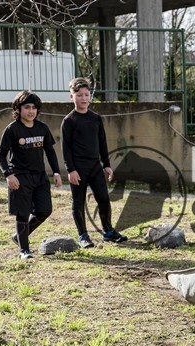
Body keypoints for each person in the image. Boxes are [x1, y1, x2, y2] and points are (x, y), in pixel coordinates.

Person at [61, 77, 127, 248]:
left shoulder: (96, 118)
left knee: (104, 198)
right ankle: (83, 235)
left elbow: (102, 143)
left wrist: (107, 164)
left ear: (90, 96)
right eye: (79, 95)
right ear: (71, 97)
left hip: (95, 166)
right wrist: (71, 170)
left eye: (86, 94)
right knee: (78, 202)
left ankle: (108, 231)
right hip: (78, 169)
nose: (83, 98)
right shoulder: (69, 121)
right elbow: (66, 149)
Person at [0, 90, 62, 259]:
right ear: (18, 109)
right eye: (27, 107)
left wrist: (56, 172)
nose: (31, 111)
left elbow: (50, 152)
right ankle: (24, 250)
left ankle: (19, 237)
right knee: (23, 213)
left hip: (40, 177)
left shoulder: (42, 128)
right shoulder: (12, 129)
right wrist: (8, 175)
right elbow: (1, 154)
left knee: (45, 210)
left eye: (34, 107)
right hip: (20, 177)